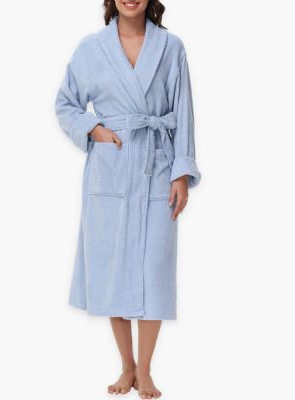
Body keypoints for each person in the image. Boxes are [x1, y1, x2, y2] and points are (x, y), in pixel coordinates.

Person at [55, 1, 201, 398]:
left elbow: (184, 111)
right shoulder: (91, 47)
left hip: (158, 167)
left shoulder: (171, 47)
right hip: (111, 168)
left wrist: (181, 172)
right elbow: (65, 104)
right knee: (113, 266)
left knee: (155, 269)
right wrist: (94, 129)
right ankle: (127, 366)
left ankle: (146, 370)